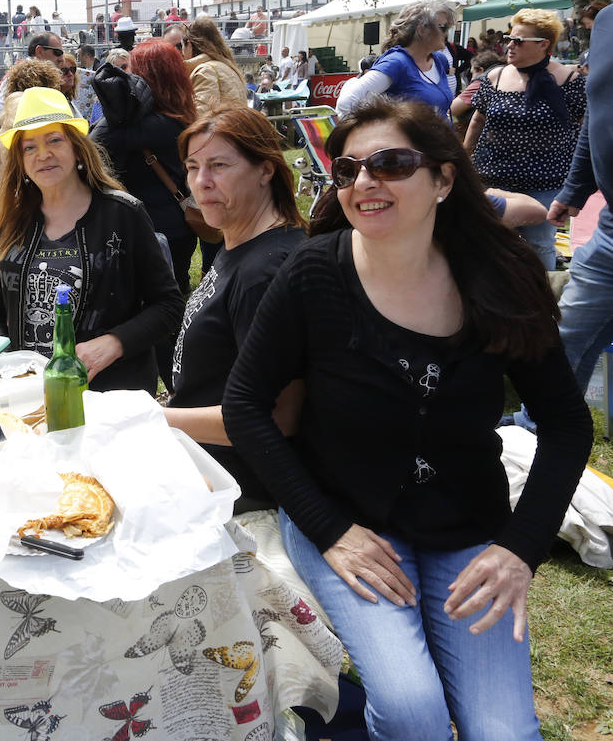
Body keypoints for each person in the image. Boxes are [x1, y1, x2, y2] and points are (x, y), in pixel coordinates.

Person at [223, 95, 592, 740]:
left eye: (391, 163)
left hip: (468, 529)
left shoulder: (502, 277)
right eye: (348, 169)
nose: (365, 182)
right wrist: (330, 530)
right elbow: (245, 405)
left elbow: (566, 422)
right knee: (412, 710)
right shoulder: (314, 272)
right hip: (347, 521)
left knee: (505, 734)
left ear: (444, 179)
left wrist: (520, 549)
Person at [0, 86, 182, 392]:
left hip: (111, 395)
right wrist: (11, 364)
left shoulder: (123, 214)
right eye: (29, 147)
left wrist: (114, 343)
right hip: (28, 394)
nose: (43, 155)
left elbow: (169, 305)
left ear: (76, 147)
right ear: (19, 160)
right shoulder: (9, 220)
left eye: (54, 140)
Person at [164, 108, 307, 512]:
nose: (201, 183)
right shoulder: (239, 243)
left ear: (265, 170)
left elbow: (277, 420)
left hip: (237, 488)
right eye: (193, 167)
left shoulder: (266, 272)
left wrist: (150, 418)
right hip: (202, 461)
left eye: (219, 166)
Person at [463, 8, 587, 270]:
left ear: (544, 45)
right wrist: (463, 161)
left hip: (545, 184)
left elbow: (584, 132)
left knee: (539, 248)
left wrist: (578, 184)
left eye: (518, 41)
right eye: (509, 38)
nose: (509, 45)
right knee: (486, 244)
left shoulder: (569, 80)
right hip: (491, 180)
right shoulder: (495, 77)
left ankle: (540, 304)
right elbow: (477, 121)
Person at [91, 39, 199, 292]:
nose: (126, 75)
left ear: (146, 76)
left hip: (155, 231)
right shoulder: (179, 116)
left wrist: (121, 106)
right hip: (175, 224)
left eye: (131, 69)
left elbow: (93, 143)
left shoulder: (156, 125)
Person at [548, 3, 613, 391]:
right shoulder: (607, 21)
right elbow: (598, 108)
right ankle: (539, 424)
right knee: (565, 336)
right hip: (609, 231)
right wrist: (575, 188)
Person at [335, 0, 457, 117]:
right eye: (443, 27)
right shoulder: (397, 63)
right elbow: (346, 103)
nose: (447, 33)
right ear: (422, 30)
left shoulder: (439, 60)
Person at [182, 17, 248, 114]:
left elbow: (200, 118)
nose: (181, 53)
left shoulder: (206, 70)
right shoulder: (226, 66)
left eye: (181, 46)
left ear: (189, 44)